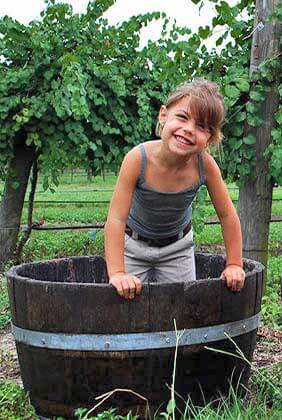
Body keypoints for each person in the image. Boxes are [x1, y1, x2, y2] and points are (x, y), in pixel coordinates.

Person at [104, 79, 245, 300]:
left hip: (177, 249)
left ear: (209, 138)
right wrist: (118, 272)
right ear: (163, 115)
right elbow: (116, 219)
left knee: (181, 311)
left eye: (201, 126)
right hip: (132, 246)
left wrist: (235, 264)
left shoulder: (204, 166)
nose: (189, 130)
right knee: (126, 311)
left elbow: (228, 216)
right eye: (182, 117)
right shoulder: (137, 159)